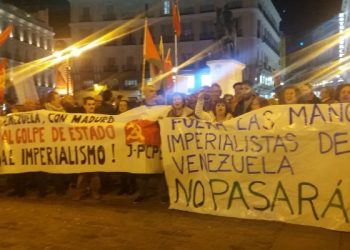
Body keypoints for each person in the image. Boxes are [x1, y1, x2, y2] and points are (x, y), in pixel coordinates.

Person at [73, 97, 101, 200]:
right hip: (83, 148)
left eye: (93, 104)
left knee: (95, 172)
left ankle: (95, 191)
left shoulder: (100, 118)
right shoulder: (78, 118)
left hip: (96, 148)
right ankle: (81, 192)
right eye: (89, 104)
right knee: (83, 172)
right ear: (84, 106)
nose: (91, 106)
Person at [117, 99, 137, 196]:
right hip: (119, 146)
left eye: (124, 105)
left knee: (130, 168)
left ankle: (132, 187)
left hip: (129, 145)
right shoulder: (115, 118)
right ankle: (123, 187)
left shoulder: (131, 118)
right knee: (121, 168)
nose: (122, 107)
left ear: (127, 107)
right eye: (120, 105)